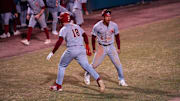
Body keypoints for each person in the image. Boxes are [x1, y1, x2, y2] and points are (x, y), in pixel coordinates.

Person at [46, 12, 105, 92]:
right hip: (81, 49)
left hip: (72, 50)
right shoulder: (76, 26)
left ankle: (58, 86)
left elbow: (59, 42)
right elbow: (84, 35)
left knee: (62, 66)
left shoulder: (63, 29)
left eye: (60, 18)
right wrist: (87, 46)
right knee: (87, 66)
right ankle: (99, 79)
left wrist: (52, 52)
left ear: (62, 19)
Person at [84, 9, 128, 86]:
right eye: (107, 16)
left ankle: (121, 80)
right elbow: (93, 37)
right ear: (103, 17)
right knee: (95, 65)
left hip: (111, 47)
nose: (108, 18)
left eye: (109, 16)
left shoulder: (114, 25)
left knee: (118, 64)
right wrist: (94, 48)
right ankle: (87, 74)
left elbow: (117, 36)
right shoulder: (97, 26)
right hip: (101, 47)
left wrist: (118, 48)